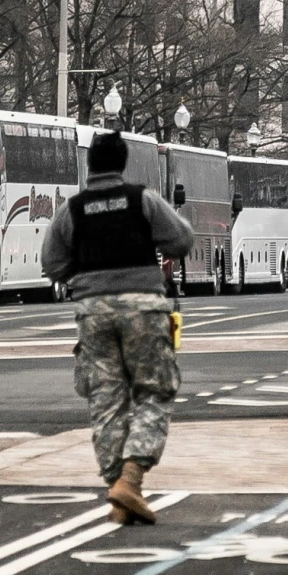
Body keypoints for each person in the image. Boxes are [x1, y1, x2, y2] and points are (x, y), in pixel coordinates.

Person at [41, 131, 194, 525]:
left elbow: (52, 263)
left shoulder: (71, 210)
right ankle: (131, 478)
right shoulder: (142, 200)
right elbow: (181, 239)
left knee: (105, 401)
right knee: (154, 392)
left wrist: (85, 272)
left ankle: (117, 491)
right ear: (123, 163)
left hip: (92, 312)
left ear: (89, 164)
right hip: (143, 306)